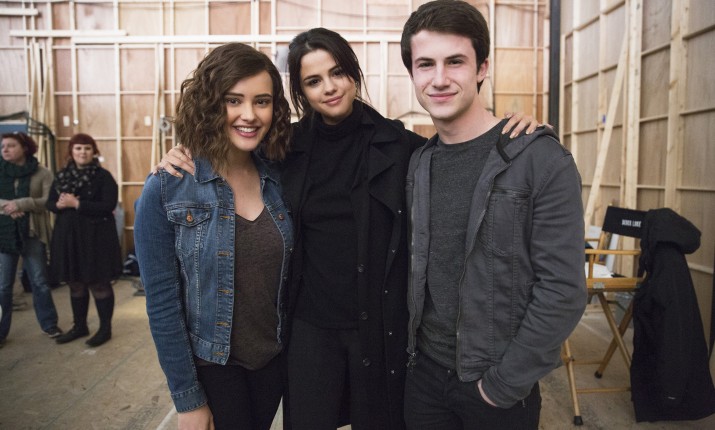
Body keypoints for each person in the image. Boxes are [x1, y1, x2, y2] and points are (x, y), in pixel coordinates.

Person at [157, 28, 540, 430]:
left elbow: (459, 154)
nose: (329, 87)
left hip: (378, 326)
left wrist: (507, 126)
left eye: (337, 72)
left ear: (353, 73)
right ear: (301, 92)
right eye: (313, 81)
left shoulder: (400, 146)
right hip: (309, 326)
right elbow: (233, 155)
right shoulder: (282, 149)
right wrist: (182, 154)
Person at [399, 2, 588, 429]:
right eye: (426, 64)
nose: (439, 78)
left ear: (482, 67)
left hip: (494, 386)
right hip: (424, 378)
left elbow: (563, 289)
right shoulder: (419, 163)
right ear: (412, 73)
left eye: (455, 62)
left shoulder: (540, 160)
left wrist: (502, 385)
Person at [134, 42, 294, 430]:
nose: (249, 115)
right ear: (209, 104)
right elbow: (162, 304)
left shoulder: (281, 178)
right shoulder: (167, 188)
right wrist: (188, 399)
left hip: (272, 360)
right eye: (233, 100)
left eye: (261, 101)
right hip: (213, 366)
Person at [47, 133, 122, 347]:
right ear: (71, 152)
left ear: (94, 152)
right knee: (75, 282)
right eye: (78, 148)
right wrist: (58, 205)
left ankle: (105, 329)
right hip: (69, 238)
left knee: (99, 283)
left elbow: (108, 205)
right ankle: (80, 326)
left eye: (87, 148)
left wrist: (78, 204)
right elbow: (50, 202)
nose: (83, 152)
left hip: (95, 239)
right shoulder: (62, 176)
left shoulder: (103, 176)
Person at [0, 132, 63, 348]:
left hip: (32, 233)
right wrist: (8, 207)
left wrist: (21, 204)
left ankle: (49, 324)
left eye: (11, 145)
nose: (5, 150)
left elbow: (49, 200)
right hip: (5, 235)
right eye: (3, 146)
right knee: (3, 286)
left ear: (24, 148)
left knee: (40, 281)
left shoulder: (41, 172)